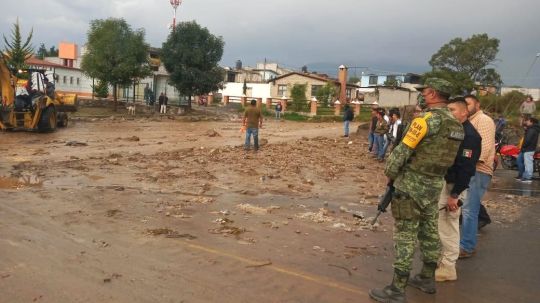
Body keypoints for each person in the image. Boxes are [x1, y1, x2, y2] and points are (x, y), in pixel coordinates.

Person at [369, 78, 464, 303]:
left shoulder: (425, 121)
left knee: (405, 235)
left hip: (411, 185)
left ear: (432, 94)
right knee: (430, 232)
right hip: (434, 185)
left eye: (424, 92)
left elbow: (402, 151)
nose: (422, 95)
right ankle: (427, 277)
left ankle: (397, 288)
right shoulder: (456, 125)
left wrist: (390, 173)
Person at [436, 97, 482, 282]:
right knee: (442, 225)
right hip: (446, 183)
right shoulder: (456, 130)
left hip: (454, 188)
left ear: (464, 112)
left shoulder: (470, 136)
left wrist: (455, 195)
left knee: (449, 226)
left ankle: (448, 268)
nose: (449, 112)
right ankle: (443, 261)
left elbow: (467, 168)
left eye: (453, 109)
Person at [459, 94, 496, 258]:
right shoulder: (469, 122)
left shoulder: (484, 120)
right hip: (468, 169)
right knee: (465, 207)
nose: (466, 107)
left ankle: (467, 247)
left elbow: (485, 148)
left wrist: (467, 164)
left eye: (468, 103)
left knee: (468, 209)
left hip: (479, 169)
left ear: (477, 104)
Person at [516, 117, 540, 183]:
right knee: (519, 161)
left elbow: (527, 140)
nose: (527, 122)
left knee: (528, 163)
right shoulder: (531, 128)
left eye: (528, 121)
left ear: (531, 122)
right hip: (526, 149)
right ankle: (522, 175)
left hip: (528, 149)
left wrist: (523, 147)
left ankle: (528, 177)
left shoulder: (532, 129)